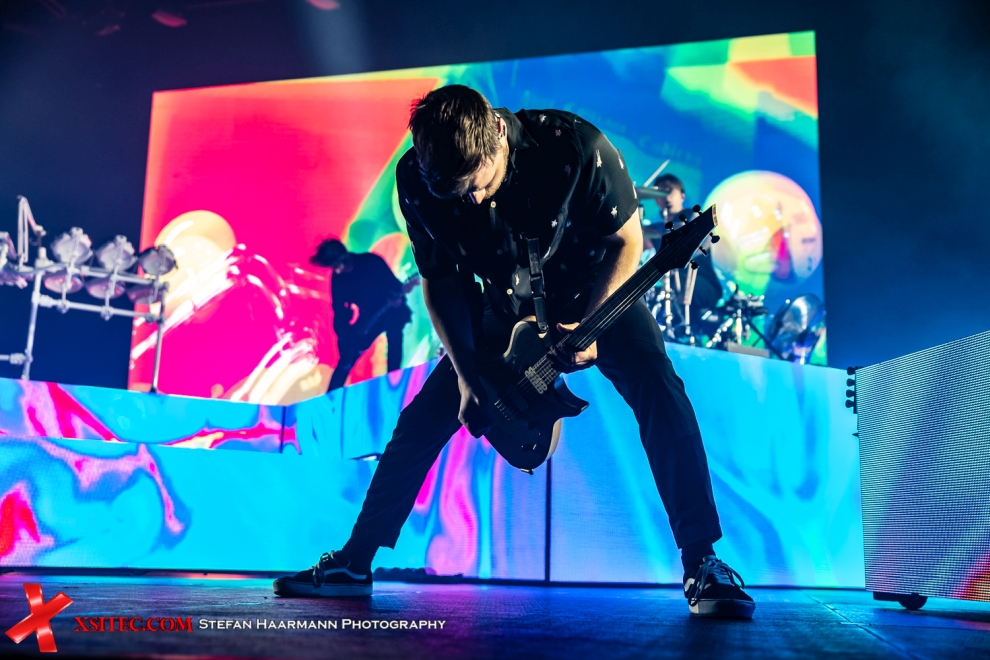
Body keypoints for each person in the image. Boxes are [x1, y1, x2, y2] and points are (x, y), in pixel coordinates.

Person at [276, 85, 755, 619]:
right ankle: (354, 562)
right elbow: (441, 282)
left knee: (661, 391)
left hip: (598, 291)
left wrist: (590, 327)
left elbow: (627, 242)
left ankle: (702, 562)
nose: (469, 204)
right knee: (421, 421)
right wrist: (466, 379)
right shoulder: (416, 178)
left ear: (498, 136)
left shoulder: (574, 146)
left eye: (477, 186)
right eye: (454, 195)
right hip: (505, 305)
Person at [310, 239, 416, 391]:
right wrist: (344, 337)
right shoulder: (338, 279)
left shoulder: (371, 261)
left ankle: (394, 386)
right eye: (332, 266)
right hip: (368, 317)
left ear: (342, 257)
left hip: (391, 311)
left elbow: (396, 286)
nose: (336, 270)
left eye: (336, 265)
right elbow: (339, 310)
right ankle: (331, 397)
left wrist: (398, 300)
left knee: (395, 338)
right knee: (347, 357)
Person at [649, 173, 723, 320]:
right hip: (671, 284)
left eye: (670, 191)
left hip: (703, 284)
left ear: (682, 196)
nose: (666, 197)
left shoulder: (692, 218)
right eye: (660, 193)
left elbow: (695, 242)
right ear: (656, 200)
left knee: (668, 283)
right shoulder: (654, 230)